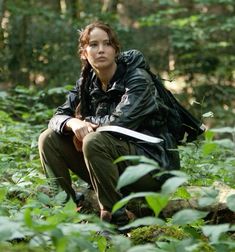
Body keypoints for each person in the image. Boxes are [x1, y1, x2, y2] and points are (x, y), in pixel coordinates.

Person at [38, 21, 180, 226]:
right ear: (84, 53)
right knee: (48, 138)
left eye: (107, 44)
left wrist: (84, 123)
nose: (101, 50)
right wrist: (72, 123)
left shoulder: (138, 79)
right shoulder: (86, 82)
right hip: (112, 165)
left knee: (94, 140)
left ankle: (114, 218)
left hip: (152, 167)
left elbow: (120, 123)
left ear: (116, 50)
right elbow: (57, 117)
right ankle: (65, 210)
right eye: (93, 45)